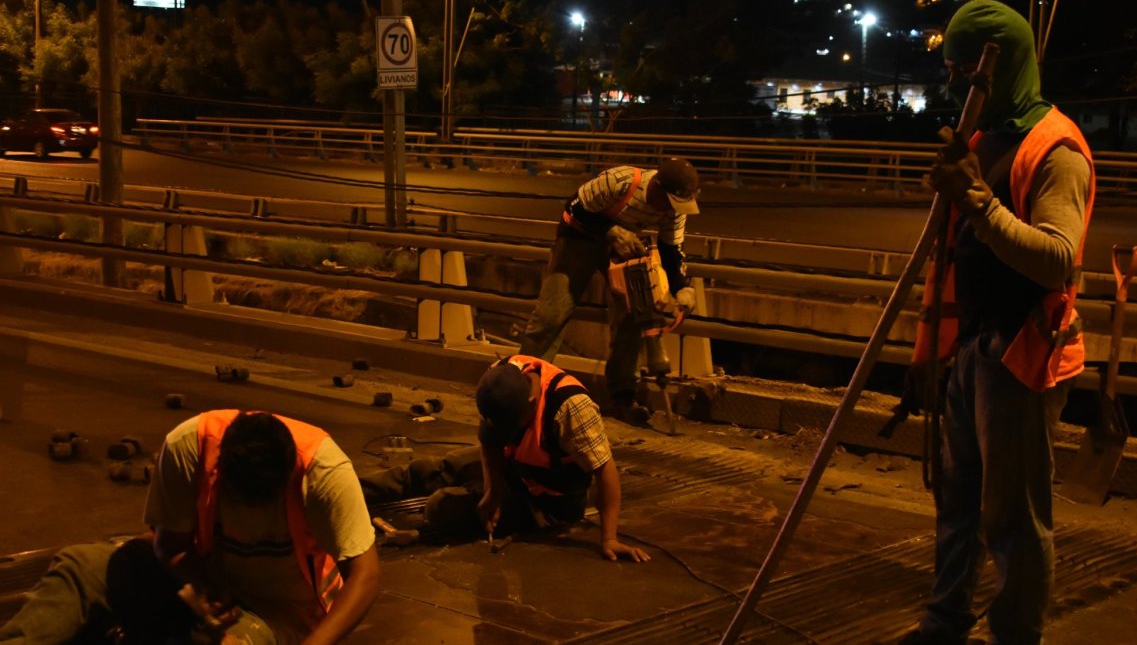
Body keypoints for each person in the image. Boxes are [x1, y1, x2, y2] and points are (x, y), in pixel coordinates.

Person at [901, 0, 1094, 645]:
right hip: (973, 348)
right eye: (953, 72)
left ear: (1000, 65)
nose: (958, 87)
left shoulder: (1056, 150)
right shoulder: (986, 136)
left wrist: (979, 200)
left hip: (1022, 354)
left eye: (967, 73)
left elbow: (1056, 260)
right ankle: (945, 619)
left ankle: (1016, 635)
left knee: (1012, 517)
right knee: (956, 504)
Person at [1, 410, 380, 644]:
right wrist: (203, 586)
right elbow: (169, 545)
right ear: (221, 469)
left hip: (278, 608)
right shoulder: (190, 445)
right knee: (81, 567)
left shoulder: (324, 470)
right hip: (203, 579)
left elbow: (365, 575)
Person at [361, 355, 651, 563]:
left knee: (441, 507)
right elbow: (489, 442)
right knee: (433, 469)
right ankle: (346, 489)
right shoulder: (501, 377)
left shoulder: (571, 409)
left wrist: (609, 538)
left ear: (531, 403)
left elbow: (605, 470)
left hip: (546, 501)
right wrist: (493, 489)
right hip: (515, 466)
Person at [518, 159, 700, 423]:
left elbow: (672, 250)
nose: (671, 210)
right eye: (669, 202)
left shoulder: (675, 209)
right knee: (553, 312)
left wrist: (682, 287)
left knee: (634, 314)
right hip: (578, 239)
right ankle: (525, 387)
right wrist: (612, 230)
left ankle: (624, 394)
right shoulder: (619, 181)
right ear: (658, 187)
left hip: (623, 247)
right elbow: (572, 210)